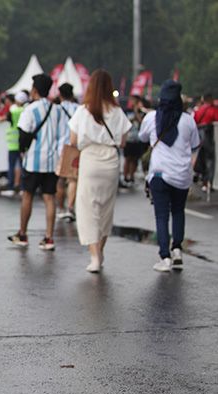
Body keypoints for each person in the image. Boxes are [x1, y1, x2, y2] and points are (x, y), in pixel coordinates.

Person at [67, 70, 132, 273]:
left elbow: (73, 141)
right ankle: (100, 253)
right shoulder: (117, 112)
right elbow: (122, 142)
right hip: (111, 161)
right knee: (106, 209)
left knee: (88, 209)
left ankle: (94, 256)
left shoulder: (83, 111)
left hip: (90, 160)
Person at [138, 80, 201, 272]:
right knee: (178, 211)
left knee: (161, 215)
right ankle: (177, 250)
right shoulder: (188, 120)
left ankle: (164, 257)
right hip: (181, 175)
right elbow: (195, 146)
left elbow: (141, 137)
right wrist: (190, 167)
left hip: (158, 174)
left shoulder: (151, 118)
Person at [8, 74, 60, 250]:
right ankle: (49, 237)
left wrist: (23, 151)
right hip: (52, 161)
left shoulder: (29, 109)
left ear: (35, 90)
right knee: (49, 197)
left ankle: (22, 234)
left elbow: (23, 136)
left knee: (28, 195)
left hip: (33, 160)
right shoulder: (57, 109)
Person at [55, 83, 80, 222]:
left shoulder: (56, 110)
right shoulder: (79, 109)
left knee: (59, 180)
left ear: (60, 95)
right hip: (75, 146)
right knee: (73, 178)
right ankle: (70, 208)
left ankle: (60, 208)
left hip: (60, 147)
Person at [2, 92, 27, 194]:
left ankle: (11, 186)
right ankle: (22, 187)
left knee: (11, 166)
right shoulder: (25, 110)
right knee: (22, 166)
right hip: (21, 143)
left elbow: (6, 119)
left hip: (12, 143)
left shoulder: (12, 109)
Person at [194, 93, 217, 191]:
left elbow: (194, 121)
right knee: (210, 160)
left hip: (200, 138)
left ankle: (203, 181)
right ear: (210, 99)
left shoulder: (199, 110)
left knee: (202, 159)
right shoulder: (213, 110)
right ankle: (209, 182)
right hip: (209, 137)